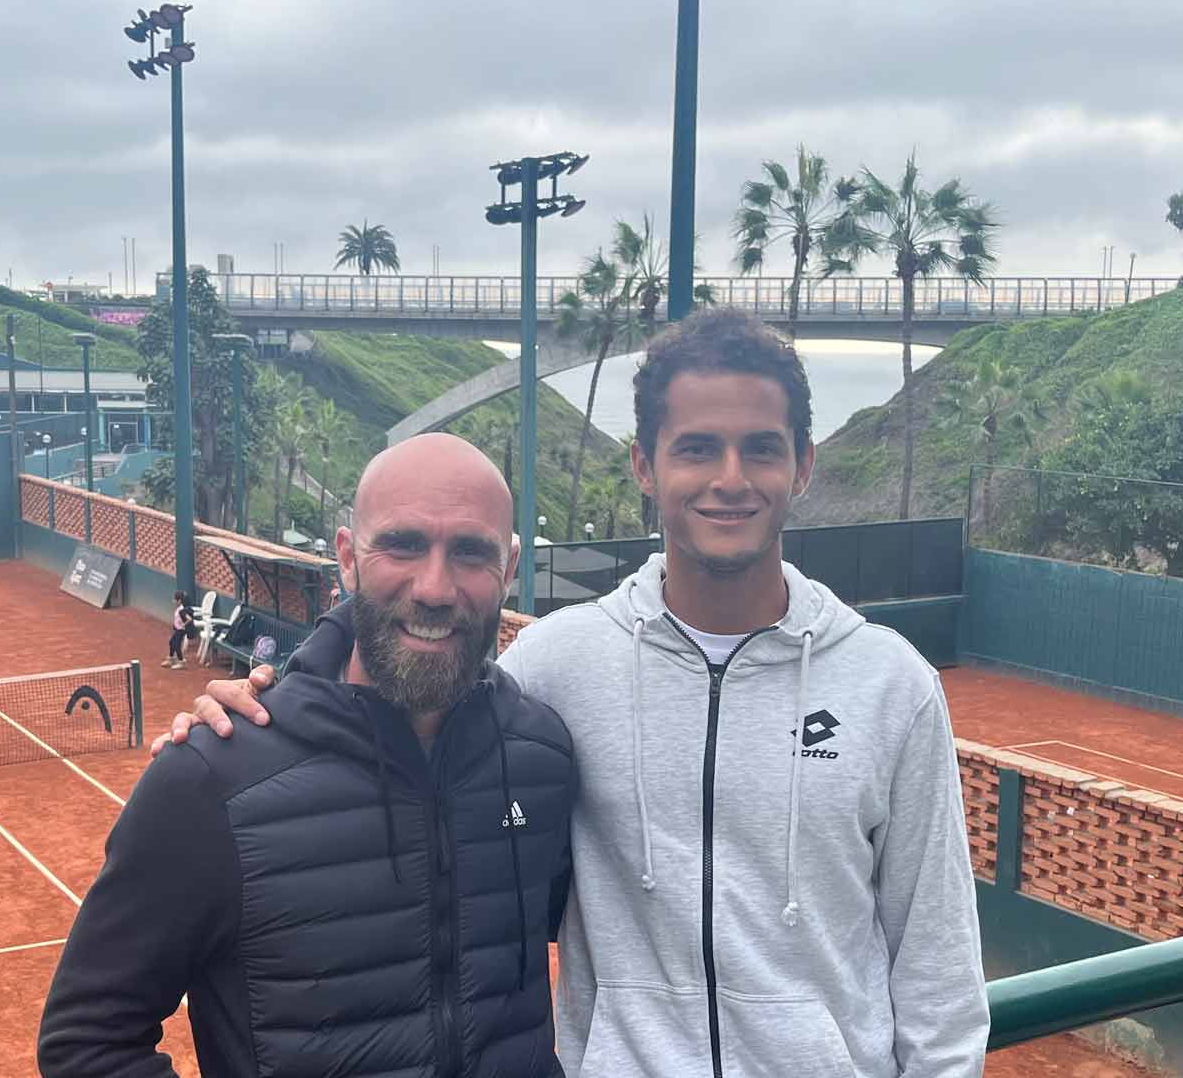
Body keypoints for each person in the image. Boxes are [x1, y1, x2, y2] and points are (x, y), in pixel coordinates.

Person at [166, 309, 989, 1078]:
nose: (730, 479)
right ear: (644, 466)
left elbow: (940, 983)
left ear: (802, 466)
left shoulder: (891, 687)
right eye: (697, 448)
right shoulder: (552, 665)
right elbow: (393, 728)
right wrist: (272, 700)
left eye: (761, 449)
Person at [38, 434, 576, 1077]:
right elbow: (88, 1044)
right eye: (403, 544)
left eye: (470, 552)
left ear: (510, 568)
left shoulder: (542, 759)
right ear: (347, 558)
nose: (435, 587)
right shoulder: (210, 778)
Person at [167, 591, 194, 670]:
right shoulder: (179, 608)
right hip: (178, 629)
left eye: (175, 600)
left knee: (176, 645)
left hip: (181, 630)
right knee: (171, 642)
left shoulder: (181, 610)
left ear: (179, 601)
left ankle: (181, 661)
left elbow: (189, 619)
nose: (174, 601)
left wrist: (183, 625)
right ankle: (171, 659)